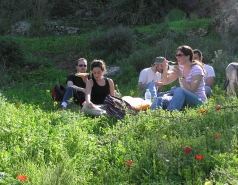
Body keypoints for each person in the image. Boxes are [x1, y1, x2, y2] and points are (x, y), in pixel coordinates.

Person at [150, 45, 207, 111]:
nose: (177, 57)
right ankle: (151, 116)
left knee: (179, 90)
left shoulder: (196, 69)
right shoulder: (180, 68)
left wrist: (181, 76)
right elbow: (165, 82)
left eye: (180, 55)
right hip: (183, 98)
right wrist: (165, 69)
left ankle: (170, 114)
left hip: (198, 101)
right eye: (176, 55)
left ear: (188, 56)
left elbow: (191, 90)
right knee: (159, 99)